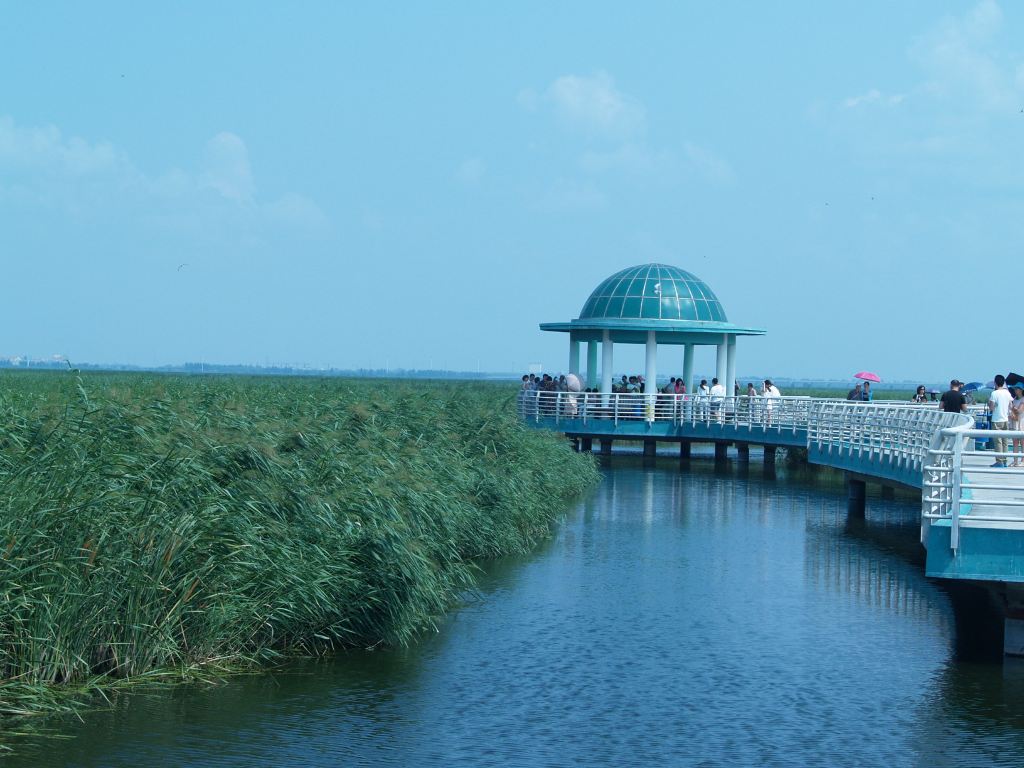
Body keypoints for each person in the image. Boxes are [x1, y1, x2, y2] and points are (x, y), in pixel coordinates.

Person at [989, 374, 1012, 468]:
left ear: (995, 383)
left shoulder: (994, 393)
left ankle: (999, 461)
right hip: (1005, 419)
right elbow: (1010, 405)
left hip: (996, 420)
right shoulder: (1007, 393)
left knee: (998, 442)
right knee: (1005, 441)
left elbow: (991, 407)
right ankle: (1005, 461)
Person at [1011, 386, 1024, 467]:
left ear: (1021, 390)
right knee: (1015, 442)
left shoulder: (1023, 399)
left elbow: (1020, 410)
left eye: (1017, 389)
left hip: (1022, 422)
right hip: (1015, 422)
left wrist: (1014, 409)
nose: (1015, 390)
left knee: (1023, 442)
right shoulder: (1014, 399)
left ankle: (1023, 461)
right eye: (1015, 389)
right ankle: (1015, 461)